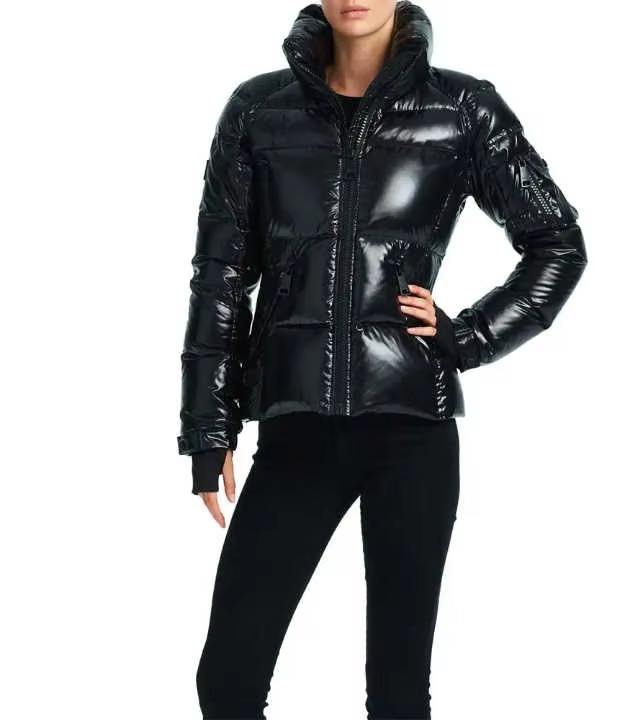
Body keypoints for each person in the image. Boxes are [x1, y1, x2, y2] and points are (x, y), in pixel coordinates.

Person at [177, 1, 587, 717]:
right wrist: (209, 429)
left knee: (397, 694)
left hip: (412, 432)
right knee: (228, 680)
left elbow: (557, 241)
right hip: (296, 430)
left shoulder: (463, 109)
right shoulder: (259, 111)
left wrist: (470, 336)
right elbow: (221, 276)